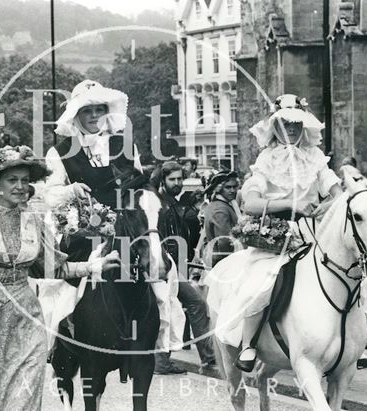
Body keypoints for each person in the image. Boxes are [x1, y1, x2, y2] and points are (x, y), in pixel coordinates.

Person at [0, 145, 119, 410]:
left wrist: (94, 266)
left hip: (25, 320)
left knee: (22, 398)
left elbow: (57, 270)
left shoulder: (34, 222)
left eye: (24, 180)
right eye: (12, 180)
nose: (20, 186)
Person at [37, 79, 184, 352]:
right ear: (76, 115)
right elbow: (50, 195)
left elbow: (140, 183)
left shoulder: (125, 145)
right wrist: (71, 190)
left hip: (128, 224)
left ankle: (162, 335)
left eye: (99, 110)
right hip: (86, 228)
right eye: (87, 111)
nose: (94, 116)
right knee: (63, 280)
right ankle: (61, 336)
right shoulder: (59, 152)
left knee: (164, 268)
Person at [206, 94, 343, 372]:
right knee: (259, 283)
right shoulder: (267, 159)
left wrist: (323, 206)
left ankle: (353, 343)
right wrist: (293, 204)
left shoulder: (316, 158)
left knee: (351, 275)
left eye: (296, 124)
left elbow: (338, 194)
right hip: (276, 235)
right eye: (285, 124)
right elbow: (251, 203)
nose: (291, 129)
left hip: (314, 235)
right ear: (275, 126)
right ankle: (248, 343)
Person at [155, 161, 216, 374]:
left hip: (175, 267)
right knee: (174, 307)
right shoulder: (158, 204)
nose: (177, 183)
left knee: (189, 305)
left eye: (180, 179)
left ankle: (207, 359)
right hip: (162, 268)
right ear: (163, 180)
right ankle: (164, 361)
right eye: (172, 179)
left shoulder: (173, 202)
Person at [202, 170, 241, 268]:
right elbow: (224, 243)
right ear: (219, 188)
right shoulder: (220, 209)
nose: (232, 190)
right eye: (228, 187)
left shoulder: (222, 204)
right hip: (224, 264)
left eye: (234, 186)